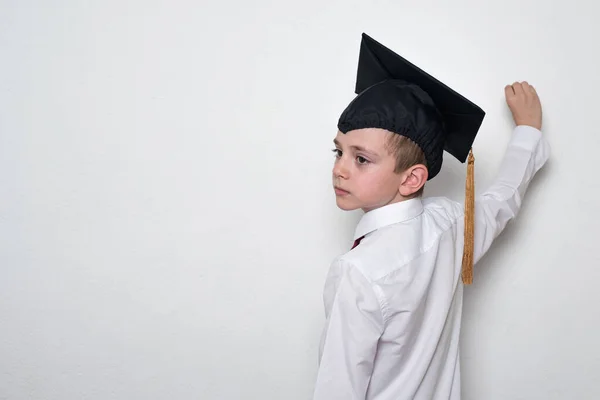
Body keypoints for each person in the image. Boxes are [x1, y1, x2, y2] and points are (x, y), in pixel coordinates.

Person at [313, 33, 550, 400]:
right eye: (338, 151)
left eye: (361, 159)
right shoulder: (451, 226)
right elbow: (501, 200)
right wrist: (528, 132)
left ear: (412, 178)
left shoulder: (358, 273)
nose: (340, 169)